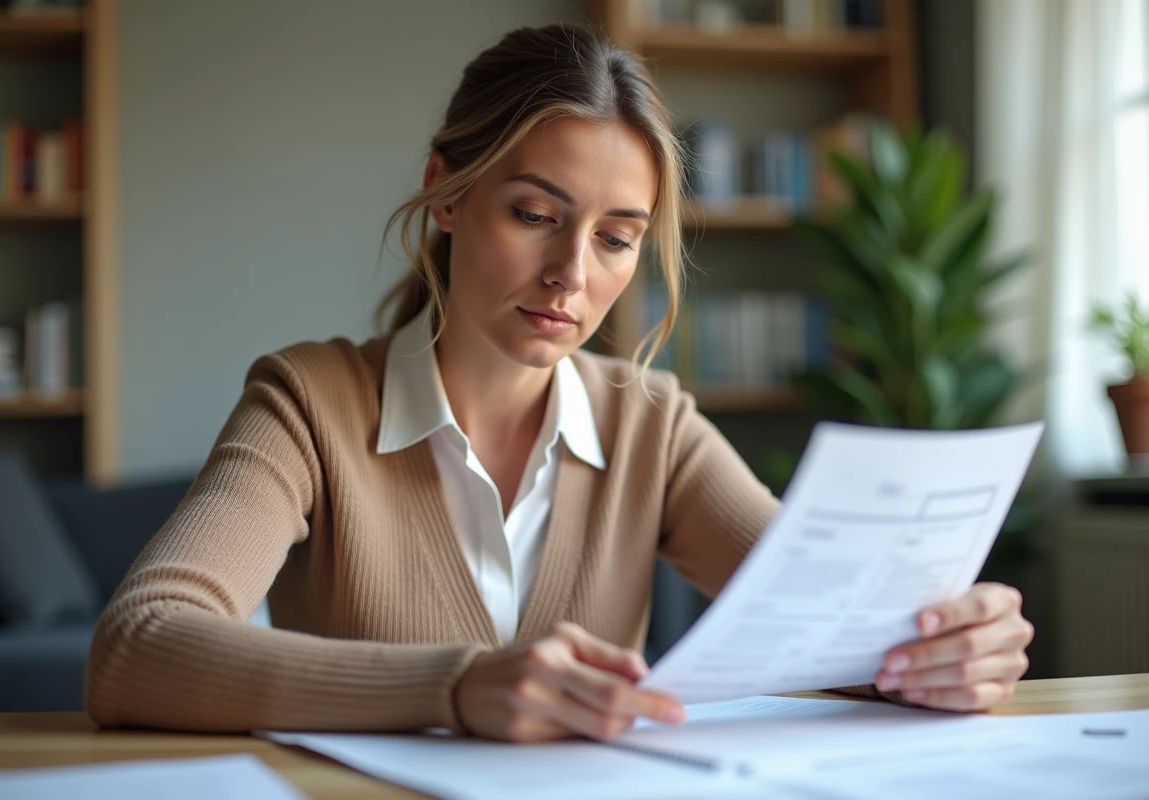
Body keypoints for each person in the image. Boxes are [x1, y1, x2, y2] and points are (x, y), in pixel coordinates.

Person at [85, 23, 1034, 742]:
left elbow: (832, 626)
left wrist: (944, 649)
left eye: (617, 239)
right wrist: (456, 685)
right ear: (447, 195)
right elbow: (137, 645)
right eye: (536, 213)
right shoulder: (308, 402)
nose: (572, 273)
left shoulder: (652, 425)